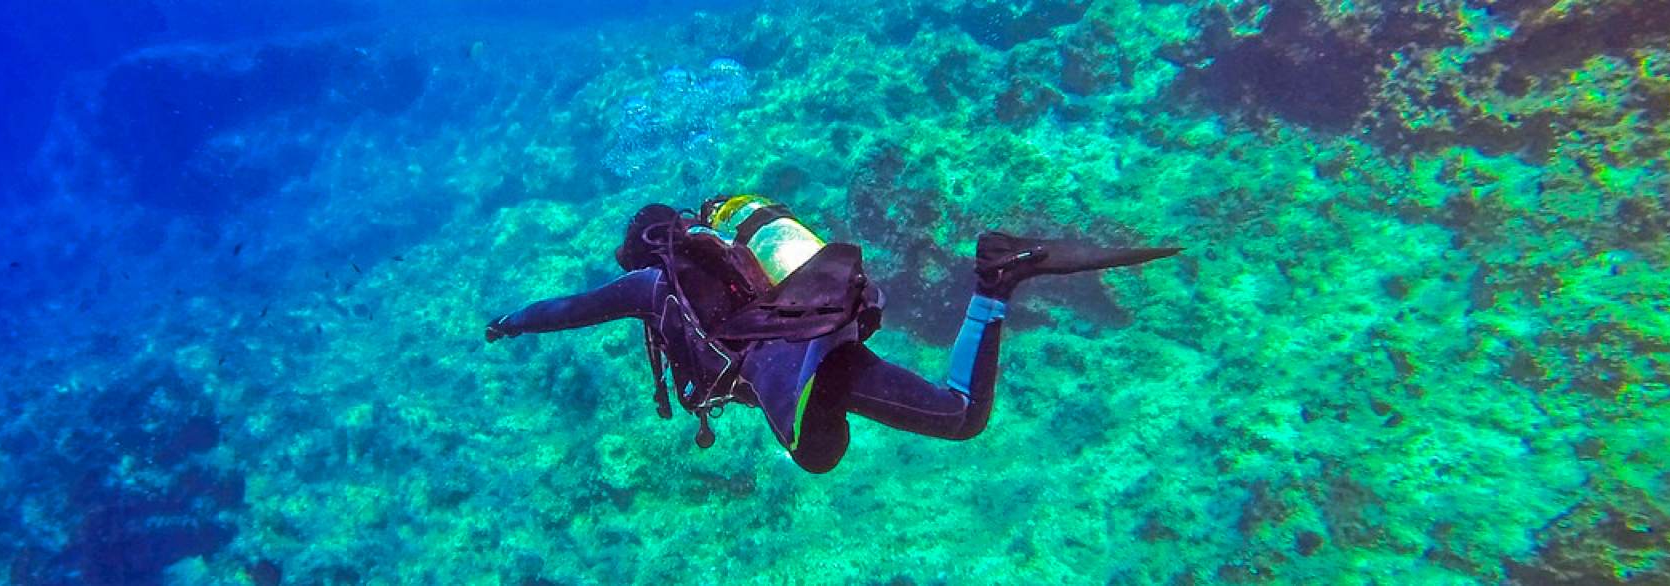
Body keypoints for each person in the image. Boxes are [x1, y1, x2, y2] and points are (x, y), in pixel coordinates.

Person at [484, 195, 1180, 473]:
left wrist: (512, 322)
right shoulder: (724, 256)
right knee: (887, 427)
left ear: (643, 251)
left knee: (957, 418)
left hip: (804, 363)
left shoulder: (648, 285)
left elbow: (568, 309)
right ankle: (994, 277)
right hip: (821, 332)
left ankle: (996, 276)